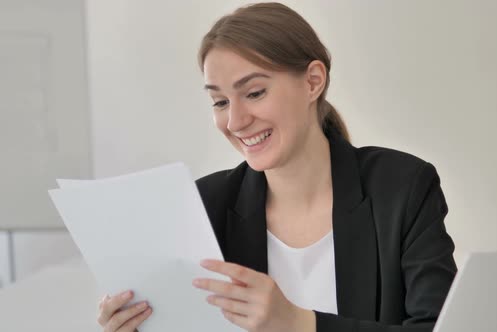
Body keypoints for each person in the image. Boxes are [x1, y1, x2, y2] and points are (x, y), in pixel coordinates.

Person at [96, 2, 457, 332]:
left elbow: (442, 328)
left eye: (254, 93)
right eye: (220, 101)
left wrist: (300, 323)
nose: (235, 121)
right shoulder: (203, 206)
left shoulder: (401, 187)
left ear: (313, 81)